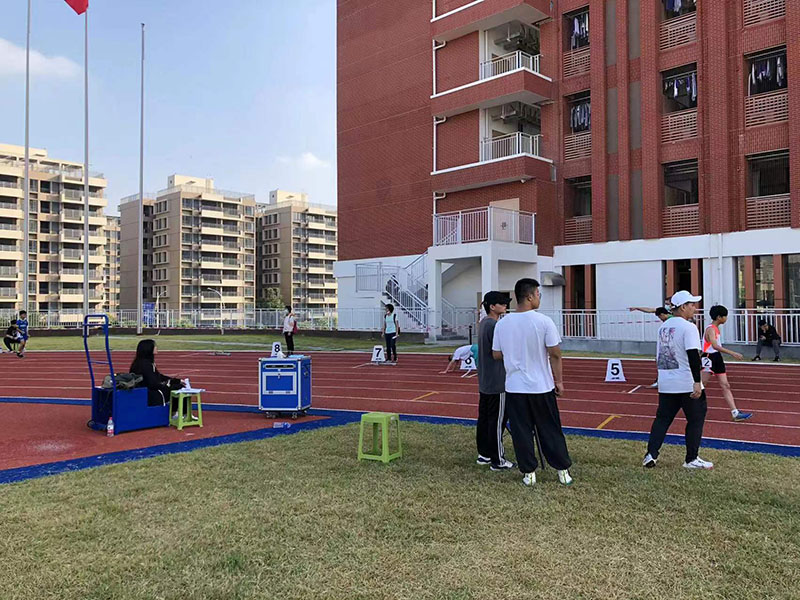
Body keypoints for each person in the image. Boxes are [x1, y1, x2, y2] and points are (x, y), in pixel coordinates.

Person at [492, 278, 573, 487]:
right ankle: (562, 469)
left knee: (521, 431)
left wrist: (515, 353)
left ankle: (529, 472)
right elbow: (555, 354)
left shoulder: (502, 323)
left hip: (515, 387)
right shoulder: (544, 321)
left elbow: (496, 354)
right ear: (529, 296)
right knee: (550, 428)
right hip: (541, 386)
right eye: (538, 294)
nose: (539, 298)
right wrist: (559, 381)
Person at [643, 290, 713, 470]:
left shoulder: (663, 327)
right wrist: (697, 382)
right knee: (696, 419)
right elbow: (693, 355)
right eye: (692, 305)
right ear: (683, 307)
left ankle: (651, 454)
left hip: (666, 382)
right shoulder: (688, 327)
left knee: (662, 419)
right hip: (686, 381)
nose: (694, 308)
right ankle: (691, 458)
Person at [476, 291, 513, 471]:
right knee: (497, 421)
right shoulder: (494, 325)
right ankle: (498, 460)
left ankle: (484, 454)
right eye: (502, 303)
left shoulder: (484, 323)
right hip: (497, 382)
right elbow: (498, 353)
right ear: (492, 306)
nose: (505, 305)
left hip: (485, 380)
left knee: (484, 419)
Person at [702, 305, 753, 422]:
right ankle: (688, 405)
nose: (726, 318)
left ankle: (735, 413)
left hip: (716, 358)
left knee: (725, 385)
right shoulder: (710, 329)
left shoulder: (716, 329)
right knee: (701, 385)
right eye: (725, 316)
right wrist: (732, 353)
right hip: (709, 358)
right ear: (719, 317)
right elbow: (715, 346)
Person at [129, 339, 187, 418]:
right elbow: (153, 383)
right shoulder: (145, 365)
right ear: (148, 349)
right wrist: (167, 384)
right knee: (179, 388)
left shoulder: (144, 362)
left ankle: (178, 413)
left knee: (177, 385)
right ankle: (179, 413)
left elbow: (158, 376)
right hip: (150, 393)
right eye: (154, 346)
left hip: (148, 390)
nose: (156, 347)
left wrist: (175, 380)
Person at [630, 306, 672, 386]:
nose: (660, 319)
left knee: (664, 361)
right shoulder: (668, 314)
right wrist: (637, 308)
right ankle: (660, 380)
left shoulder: (672, 319)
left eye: (659, 317)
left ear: (662, 314)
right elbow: (650, 310)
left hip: (670, 344)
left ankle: (661, 381)